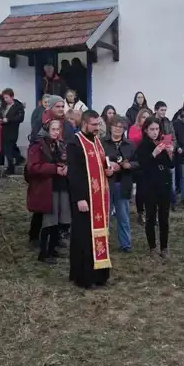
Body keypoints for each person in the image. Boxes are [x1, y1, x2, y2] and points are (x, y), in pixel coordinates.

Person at [67, 110, 115, 288]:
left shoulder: (97, 141)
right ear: (85, 123)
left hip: (99, 199)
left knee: (100, 235)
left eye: (98, 124)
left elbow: (102, 164)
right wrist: (80, 198)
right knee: (84, 237)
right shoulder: (75, 143)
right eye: (94, 124)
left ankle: (100, 275)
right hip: (84, 199)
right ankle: (84, 277)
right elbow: (74, 174)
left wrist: (108, 170)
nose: (97, 128)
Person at [26, 120, 71, 264]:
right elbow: (33, 167)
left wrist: (64, 167)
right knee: (49, 221)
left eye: (58, 129)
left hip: (60, 185)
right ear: (47, 129)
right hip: (46, 187)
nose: (56, 132)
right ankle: (44, 252)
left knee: (58, 220)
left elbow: (62, 160)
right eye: (53, 129)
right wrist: (54, 169)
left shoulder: (60, 144)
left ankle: (53, 249)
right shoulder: (37, 145)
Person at [136, 116, 174, 258]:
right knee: (151, 217)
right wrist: (154, 154)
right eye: (152, 129)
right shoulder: (142, 146)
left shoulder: (162, 143)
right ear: (146, 130)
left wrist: (171, 153)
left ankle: (164, 247)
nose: (155, 132)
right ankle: (152, 247)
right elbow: (143, 165)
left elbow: (171, 165)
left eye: (157, 129)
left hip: (164, 184)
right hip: (149, 185)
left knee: (164, 218)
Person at [102, 116, 138, 253]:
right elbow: (96, 161)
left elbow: (138, 162)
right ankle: (102, 243)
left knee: (123, 216)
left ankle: (125, 244)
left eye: (121, 127)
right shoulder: (102, 143)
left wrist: (128, 165)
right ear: (110, 127)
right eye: (115, 126)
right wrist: (106, 167)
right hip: (106, 183)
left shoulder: (130, 145)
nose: (118, 129)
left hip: (122, 183)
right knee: (105, 216)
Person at [129, 108, 151, 223]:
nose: (145, 119)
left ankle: (151, 212)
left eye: (147, 117)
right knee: (141, 189)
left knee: (151, 189)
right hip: (138, 161)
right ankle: (140, 212)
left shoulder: (151, 129)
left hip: (150, 161)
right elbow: (132, 142)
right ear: (139, 118)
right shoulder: (134, 128)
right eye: (143, 117)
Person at [154, 102, 178, 207]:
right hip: (156, 153)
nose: (163, 112)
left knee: (170, 178)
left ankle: (172, 202)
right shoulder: (152, 122)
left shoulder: (168, 122)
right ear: (156, 110)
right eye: (161, 110)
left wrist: (172, 146)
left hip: (168, 153)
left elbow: (173, 137)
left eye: (165, 110)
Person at [0, 88, 25, 175]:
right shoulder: (4, 105)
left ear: (12, 97)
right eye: (4, 98)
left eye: (6, 98)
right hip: (3, 130)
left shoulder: (18, 106)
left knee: (8, 149)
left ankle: (10, 168)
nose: (5, 100)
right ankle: (19, 158)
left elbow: (20, 118)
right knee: (10, 147)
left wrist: (8, 120)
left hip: (12, 130)